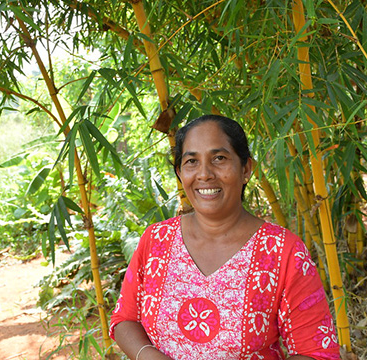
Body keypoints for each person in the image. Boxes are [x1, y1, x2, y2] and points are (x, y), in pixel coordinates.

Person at [109, 115, 340, 360]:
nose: (205, 174)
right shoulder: (156, 240)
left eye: (219, 158)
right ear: (179, 173)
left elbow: (316, 353)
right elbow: (125, 319)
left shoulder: (284, 252)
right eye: (191, 161)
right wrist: (150, 356)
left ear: (246, 169)